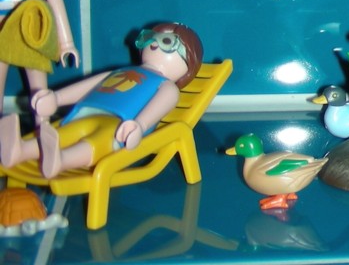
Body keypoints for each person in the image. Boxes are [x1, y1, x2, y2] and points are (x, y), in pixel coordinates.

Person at [0, 23, 203, 178]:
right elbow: (89, 85)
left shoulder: (167, 87)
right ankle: (20, 151)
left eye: (166, 41)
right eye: (150, 37)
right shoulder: (121, 70)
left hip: (120, 126)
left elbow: (160, 106)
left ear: (188, 64)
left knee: (97, 141)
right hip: (90, 111)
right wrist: (57, 98)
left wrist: (139, 126)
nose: (154, 43)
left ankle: (61, 160)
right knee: (63, 133)